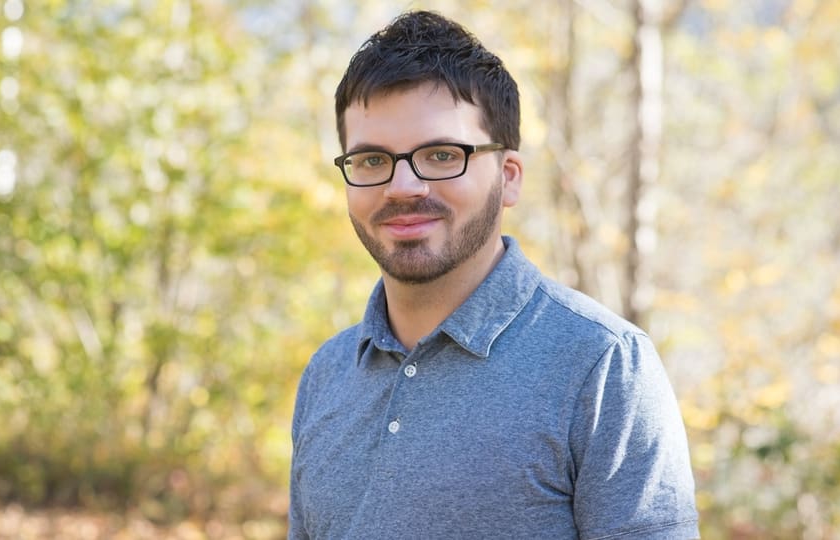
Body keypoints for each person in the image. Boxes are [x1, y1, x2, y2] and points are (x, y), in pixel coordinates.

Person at [289, 10, 698, 539]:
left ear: (508, 178)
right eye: (371, 160)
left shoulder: (603, 364)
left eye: (441, 155)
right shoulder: (327, 375)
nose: (403, 187)